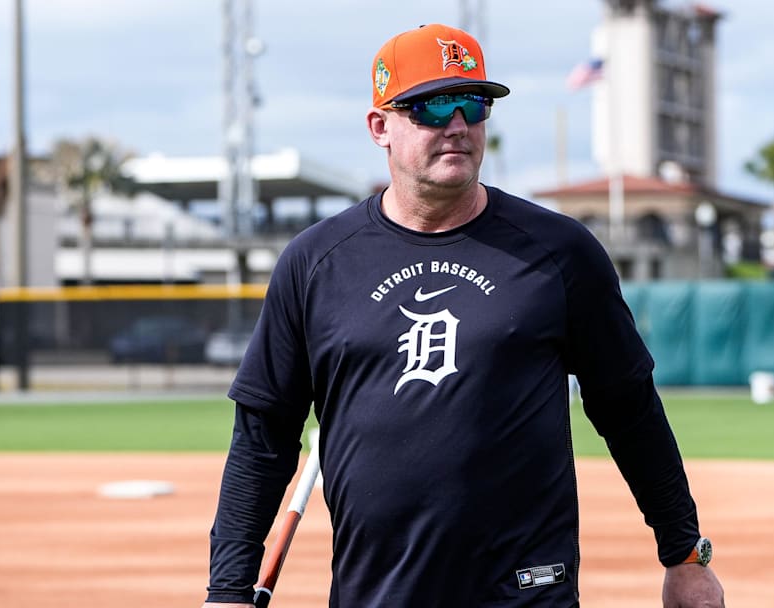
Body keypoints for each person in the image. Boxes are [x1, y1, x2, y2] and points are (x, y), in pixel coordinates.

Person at [203, 23, 724, 608]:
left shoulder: (560, 252)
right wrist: (227, 589)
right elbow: (263, 438)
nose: (457, 125)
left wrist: (685, 555)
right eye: (432, 107)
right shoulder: (316, 262)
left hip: (527, 592)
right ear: (381, 126)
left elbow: (630, 409)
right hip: (378, 593)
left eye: (472, 105)